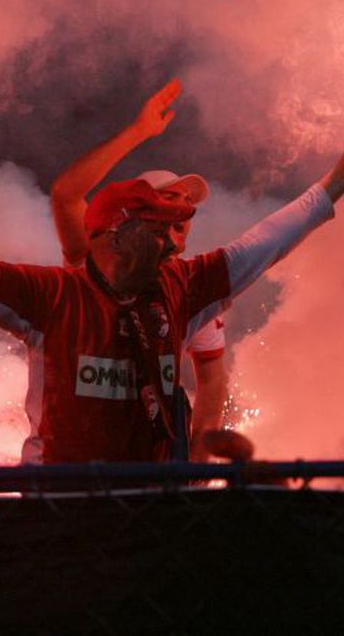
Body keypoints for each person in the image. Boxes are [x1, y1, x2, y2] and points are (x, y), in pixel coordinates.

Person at [0, 138, 344, 465]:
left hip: (145, 510)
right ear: (117, 234)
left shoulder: (181, 287)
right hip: (58, 511)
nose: (172, 239)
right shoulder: (53, 296)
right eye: (159, 227)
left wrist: (334, 185)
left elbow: (264, 245)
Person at [50, 78, 227, 458]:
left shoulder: (191, 285)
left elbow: (212, 378)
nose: (181, 208)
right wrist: (139, 132)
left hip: (153, 471)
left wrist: (199, 458)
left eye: (186, 202)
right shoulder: (96, 263)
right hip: (78, 462)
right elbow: (66, 196)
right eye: (167, 198)